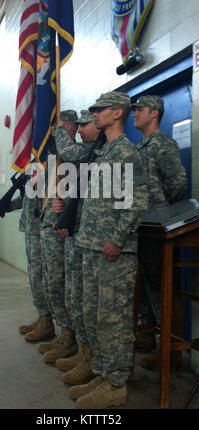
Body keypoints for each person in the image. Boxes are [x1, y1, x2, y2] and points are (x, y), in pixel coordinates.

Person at [68, 91, 149, 409]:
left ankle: (116, 382)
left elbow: (135, 204)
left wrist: (116, 239)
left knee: (112, 319)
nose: (94, 114)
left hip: (113, 251)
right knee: (93, 316)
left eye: (100, 110)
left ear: (117, 113)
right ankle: (102, 373)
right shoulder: (103, 153)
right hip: (91, 246)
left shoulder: (126, 153)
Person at [131, 95, 187, 368]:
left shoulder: (162, 144)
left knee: (158, 287)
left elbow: (177, 183)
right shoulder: (139, 146)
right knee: (141, 284)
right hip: (141, 226)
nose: (134, 114)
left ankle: (167, 347)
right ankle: (146, 336)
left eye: (139, 110)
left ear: (154, 113)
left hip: (158, 228)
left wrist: (161, 212)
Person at [52, 110, 103, 386]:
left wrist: (60, 129)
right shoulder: (88, 152)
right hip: (78, 233)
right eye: (80, 125)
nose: (83, 129)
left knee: (89, 301)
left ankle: (95, 360)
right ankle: (84, 352)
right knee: (74, 295)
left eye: (86, 124)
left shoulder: (96, 151)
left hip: (95, 238)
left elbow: (70, 153)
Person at [38, 110, 81, 363]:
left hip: (71, 230)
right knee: (52, 283)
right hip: (53, 229)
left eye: (66, 127)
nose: (61, 132)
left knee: (67, 286)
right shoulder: (53, 159)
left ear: (74, 128)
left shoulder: (77, 156)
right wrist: (46, 227)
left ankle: (70, 335)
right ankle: (61, 329)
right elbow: (47, 197)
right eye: (59, 128)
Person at [0, 192, 55, 342]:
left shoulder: (48, 171)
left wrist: (47, 232)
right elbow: (25, 199)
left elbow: (50, 201)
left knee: (40, 276)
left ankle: (47, 322)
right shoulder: (32, 172)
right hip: (30, 228)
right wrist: (4, 207)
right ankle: (43, 316)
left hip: (42, 229)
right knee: (34, 275)